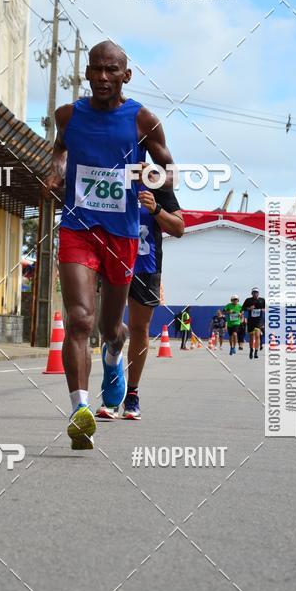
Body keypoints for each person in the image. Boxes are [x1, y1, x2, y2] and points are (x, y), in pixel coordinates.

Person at [44, 40, 174, 450]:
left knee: (109, 327)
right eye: (96, 69)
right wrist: (55, 172)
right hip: (78, 227)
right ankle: (80, 410)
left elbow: (169, 171)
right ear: (86, 73)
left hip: (122, 236)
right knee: (80, 319)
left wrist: (143, 177)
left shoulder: (142, 121)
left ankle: (114, 352)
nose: (102, 77)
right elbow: (60, 151)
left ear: (126, 76)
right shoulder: (68, 116)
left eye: (111, 70)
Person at [95, 169, 183, 420]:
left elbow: (179, 228)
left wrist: (156, 209)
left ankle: (131, 394)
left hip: (146, 266)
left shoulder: (157, 183)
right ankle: (113, 379)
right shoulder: (110, 176)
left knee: (139, 328)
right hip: (114, 262)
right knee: (111, 327)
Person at [242, 287, 266, 359]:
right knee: (252, 336)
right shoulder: (248, 300)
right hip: (251, 321)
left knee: (258, 335)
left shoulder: (262, 300)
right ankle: (251, 350)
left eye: (256, 292)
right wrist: (249, 308)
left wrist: (263, 310)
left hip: (259, 320)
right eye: (254, 292)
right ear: (252, 293)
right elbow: (243, 308)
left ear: (258, 293)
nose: (255, 293)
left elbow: (266, 308)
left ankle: (256, 351)